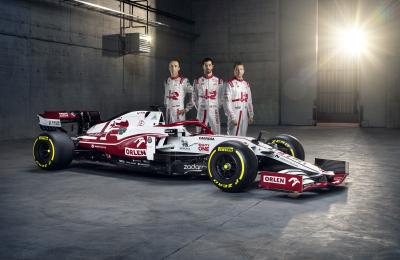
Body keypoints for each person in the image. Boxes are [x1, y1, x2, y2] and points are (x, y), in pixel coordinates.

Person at [192, 58, 224, 134]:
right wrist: (200, 107)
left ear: (212, 66)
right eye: (206, 65)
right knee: (199, 132)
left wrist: (216, 106)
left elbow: (221, 97)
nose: (208, 67)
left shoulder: (219, 81)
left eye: (209, 65)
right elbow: (194, 96)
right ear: (203, 66)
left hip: (214, 110)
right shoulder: (197, 81)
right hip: (201, 110)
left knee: (216, 132)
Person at [223, 62, 254, 136]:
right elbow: (227, 103)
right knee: (233, 137)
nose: (239, 71)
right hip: (235, 113)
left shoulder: (246, 84)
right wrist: (232, 116)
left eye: (241, 69)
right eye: (237, 69)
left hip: (244, 115)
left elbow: (249, 101)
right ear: (234, 71)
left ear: (243, 71)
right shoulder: (230, 84)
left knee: (243, 137)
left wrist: (251, 115)